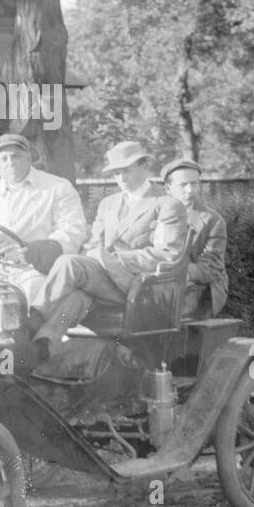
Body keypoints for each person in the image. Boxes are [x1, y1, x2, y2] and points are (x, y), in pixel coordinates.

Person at [30, 140, 188, 351]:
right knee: (77, 298)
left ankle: (33, 319)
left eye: (126, 171)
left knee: (69, 263)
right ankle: (43, 346)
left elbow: (167, 255)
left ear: (144, 166)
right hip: (104, 282)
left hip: (139, 287)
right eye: (116, 173)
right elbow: (94, 242)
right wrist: (95, 253)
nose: (121, 178)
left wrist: (117, 259)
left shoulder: (166, 204)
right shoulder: (108, 203)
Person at [0, 133, 87, 307]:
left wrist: (41, 250)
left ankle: (24, 325)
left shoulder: (57, 188)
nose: (10, 163)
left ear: (29, 158)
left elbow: (73, 231)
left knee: (32, 290)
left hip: (33, 269)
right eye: (3, 159)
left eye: (16, 156)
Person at [159, 157, 228, 318]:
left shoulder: (212, 220)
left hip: (202, 287)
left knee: (164, 312)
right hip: (163, 282)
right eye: (183, 184)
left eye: (194, 183)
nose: (190, 190)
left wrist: (178, 273)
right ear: (168, 188)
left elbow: (212, 267)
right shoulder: (158, 215)